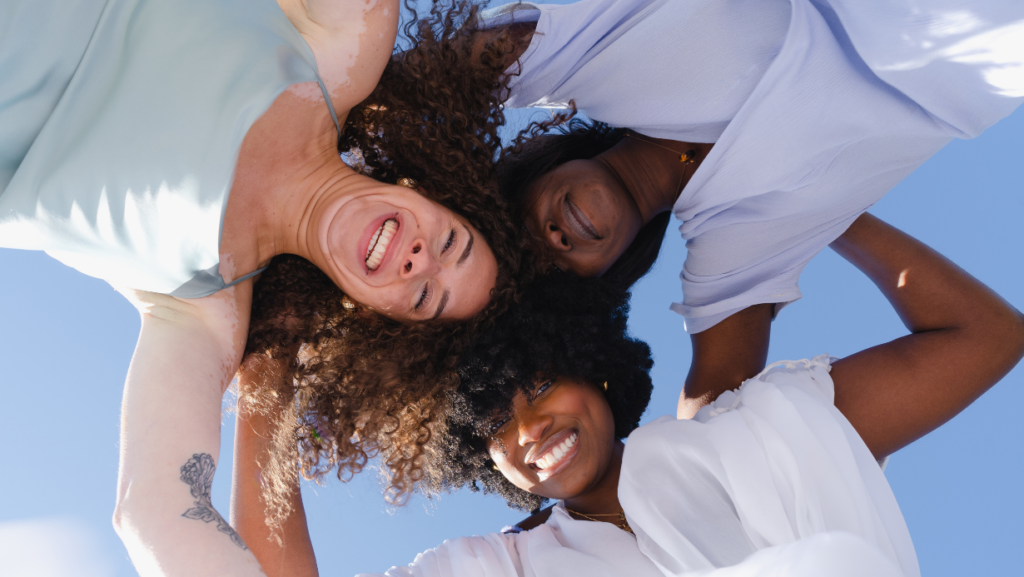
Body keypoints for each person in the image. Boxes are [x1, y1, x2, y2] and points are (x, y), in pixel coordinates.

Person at [0, 0, 525, 574]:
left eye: (425, 297)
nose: (421, 262)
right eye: (450, 242)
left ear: (376, 316)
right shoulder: (344, 43)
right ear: (427, 189)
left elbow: (156, 509)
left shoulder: (203, 310)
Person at [229, 213, 1024, 576]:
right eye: (490, 427)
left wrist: (819, 208)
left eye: (538, 383)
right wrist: (267, 376)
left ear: (594, 365)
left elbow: (984, 336)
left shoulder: (768, 427)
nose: (528, 425)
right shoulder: (505, 568)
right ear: (481, 464)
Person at [458, 0, 1024, 415]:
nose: (550, 238)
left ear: (529, 174)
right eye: (549, 272)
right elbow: (708, 429)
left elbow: (436, 68)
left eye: (517, 223)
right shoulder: (735, 251)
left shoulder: (594, 63)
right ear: (601, 285)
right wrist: (829, 215)